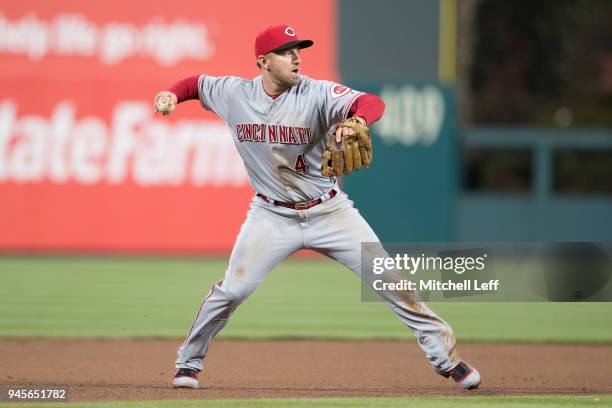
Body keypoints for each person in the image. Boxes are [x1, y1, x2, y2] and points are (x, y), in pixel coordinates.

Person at [154, 24, 481, 391]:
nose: (296, 57)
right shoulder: (234, 93)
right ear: (263, 61)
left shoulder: (317, 93)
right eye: (286, 51)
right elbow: (196, 83)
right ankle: (188, 363)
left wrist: (357, 120)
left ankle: (447, 360)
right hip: (271, 215)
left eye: (299, 49)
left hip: (330, 212)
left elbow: (371, 102)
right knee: (232, 291)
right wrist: (171, 93)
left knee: (390, 279)